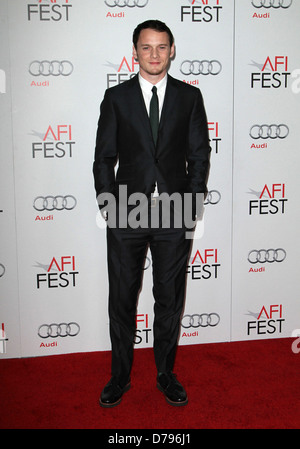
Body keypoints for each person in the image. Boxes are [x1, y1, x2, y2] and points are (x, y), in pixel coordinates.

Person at [93, 19, 210, 407]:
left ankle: (165, 374)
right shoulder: (116, 98)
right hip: (127, 212)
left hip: (174, 213)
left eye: (162, 47)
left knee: (169, 299)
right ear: (135, 52)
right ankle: (120, 377)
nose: (155, 54)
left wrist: (191, 206)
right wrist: (109, 204)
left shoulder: (190, 98)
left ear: (172, 50)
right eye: (147, 47)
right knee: (122, 299)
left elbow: (199, 155)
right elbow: (103, 158)